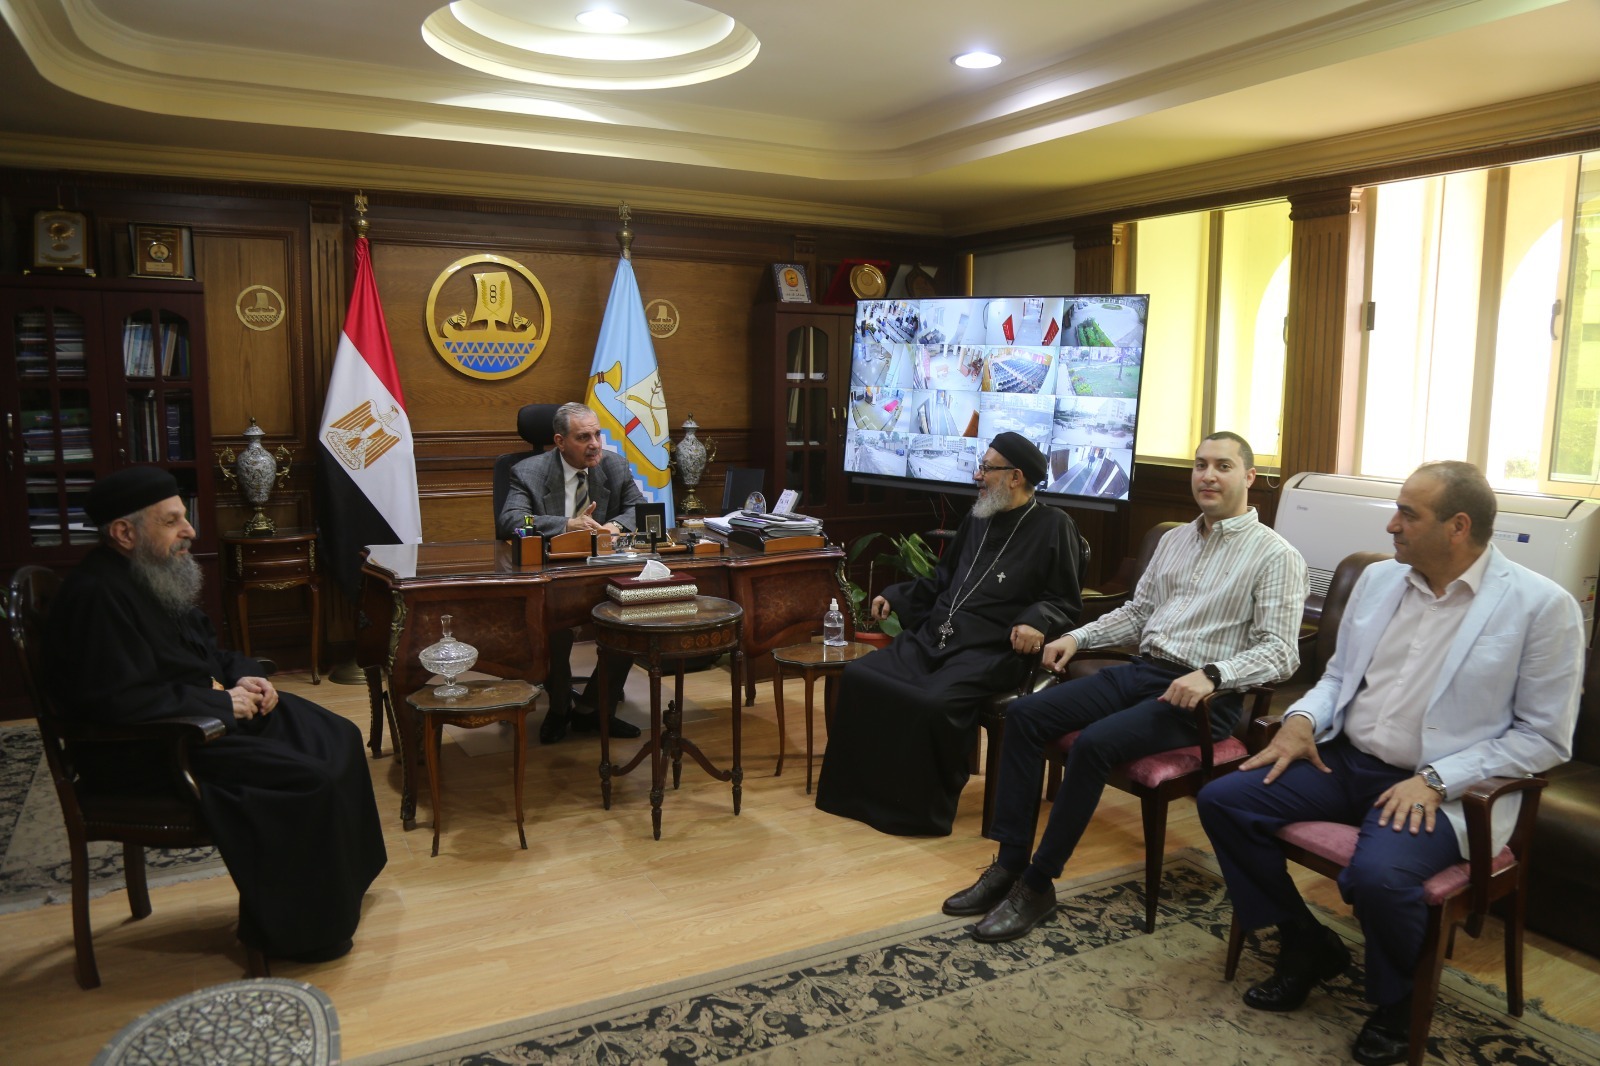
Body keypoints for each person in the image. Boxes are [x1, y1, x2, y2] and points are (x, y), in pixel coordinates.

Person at [1196, 460, 1582, 1066]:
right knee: (1224, 801)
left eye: (1408, 514)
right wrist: (1301, 721)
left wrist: (1437, 779)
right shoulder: (1379, 581)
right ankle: (1306, 942)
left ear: (1458, 526)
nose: (1392, 526)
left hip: (1443, 788)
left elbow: (1544, 737)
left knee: (1380, 878)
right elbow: (1338, 677)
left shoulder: (1541, 606)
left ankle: (1398, 1001)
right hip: (1349, 761)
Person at [944, 431, 1306, 941]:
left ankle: (1038, 884)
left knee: (1095, 744)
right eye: (1200, 464)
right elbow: (1138, 613)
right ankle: (1008, 864)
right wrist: (1076, 637)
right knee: (1025, 714)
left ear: (1249, 477)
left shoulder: (1276, 555)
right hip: (1145, 671)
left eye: (1223, 466)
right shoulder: (1177, 539)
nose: (1207, 475)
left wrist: (1213, 675)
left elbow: (1281, 652)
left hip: (1204, 700)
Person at [46, 466, 387, 963]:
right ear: (124, 532)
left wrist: (247, 678)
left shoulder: (149, 572)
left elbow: (205, 652)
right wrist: (218, 703)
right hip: (148, 750)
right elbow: (114, 703)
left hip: (195, 721)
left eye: (183, 517)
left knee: (335, 734)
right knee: (304, 780)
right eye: (171, 521)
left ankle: (338, 894)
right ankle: (303, 932)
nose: (189, 530)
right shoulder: (95, 596)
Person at [814, 431, 1084, 836]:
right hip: (937, 637)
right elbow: (943, 579)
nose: (977, 475)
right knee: (860, 676)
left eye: (987, 468)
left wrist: (1036, 620)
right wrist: (897, 596)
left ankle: (912, 811)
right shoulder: (979, 517)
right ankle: (857, 796)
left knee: (932, 703)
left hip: (991, 649)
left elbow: (1064, 599)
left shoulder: (1054, 526)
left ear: (1015, 477)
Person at [496, 401, 647, 743]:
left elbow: (638, 508)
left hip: (604, 568)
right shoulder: (529, 472)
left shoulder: (614, 466)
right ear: (560, 441)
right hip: (554, 571)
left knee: (633, 620)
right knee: (555, 627)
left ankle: (594, 708)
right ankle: (560, 707)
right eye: (583, 437)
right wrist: (567, 524)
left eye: (597, 435)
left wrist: (612, 527)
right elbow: (512, 520)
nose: (595, 444)